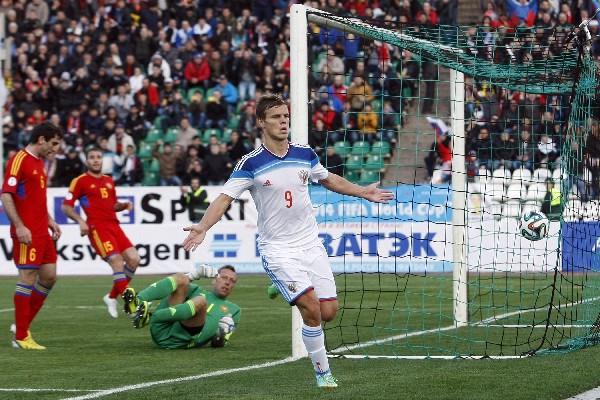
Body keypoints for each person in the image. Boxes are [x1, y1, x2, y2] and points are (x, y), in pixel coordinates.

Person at [181, 95, 394, 388]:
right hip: (278, 249)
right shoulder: (250, 163)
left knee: (328, 312)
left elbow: (329, 179)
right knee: (311, 307)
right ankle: (323, 373)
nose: (283, 122)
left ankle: (285, 285)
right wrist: (203, 226)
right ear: (260, 122)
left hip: (310, 244)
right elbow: (225, 198)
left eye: (285, 116)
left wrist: (362, 192)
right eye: (276, 117)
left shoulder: (304, 153)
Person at [1, 122, 63, 350]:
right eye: (54, 143)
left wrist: (50, 220)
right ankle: (21, 336)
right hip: (26, 231)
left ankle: (22, 326)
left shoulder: (39, 163)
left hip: (41, 231)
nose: (56, 149)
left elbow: (36, 199)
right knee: (27, 276)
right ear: (41, 139)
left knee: (49, 276)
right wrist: (19, 226)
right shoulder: (19, 159)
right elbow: (6, 195)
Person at [61, 147, 141, 318]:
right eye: (92, 157)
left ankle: (111, 297)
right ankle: (132, 306)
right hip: (97, 228)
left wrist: (124, 205)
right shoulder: (80, 181)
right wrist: (81, 221)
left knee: (134, 259)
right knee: (116, 260)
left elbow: (113, 205)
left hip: (114, 226)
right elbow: (66, 207)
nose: (96, 160)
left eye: (99, 157)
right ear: (87, 161)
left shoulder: (109, 180)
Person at [122, 265, 240, 349]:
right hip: (163, 329)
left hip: (185, 338)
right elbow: (182, 283)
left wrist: (222, 333)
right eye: (224, 278)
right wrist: (194, 275)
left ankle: (150, 316)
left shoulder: (234, 310)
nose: (228, 282)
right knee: (182, 278)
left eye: (232, 281)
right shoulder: (197, 290)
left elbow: (217, 343)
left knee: (201, 301)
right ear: (214, 280)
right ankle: (137, 303)